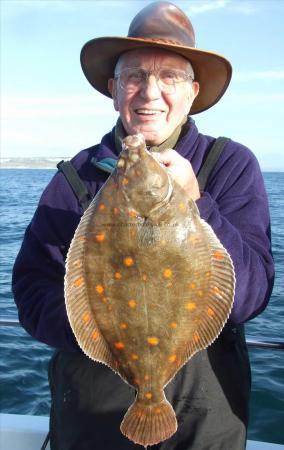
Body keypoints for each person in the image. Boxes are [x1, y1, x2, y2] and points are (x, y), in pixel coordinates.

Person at [12, 2, 274, 449]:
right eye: (135, 76)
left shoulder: (230, 165)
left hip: (203, 423)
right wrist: (101, 335)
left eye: (169, 77)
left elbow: (250, 296)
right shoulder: (75, 178)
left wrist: (196, 203)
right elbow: (33, 291)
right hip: (91, 420)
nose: (150, 93)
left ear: (193, 91)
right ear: (114, 90)